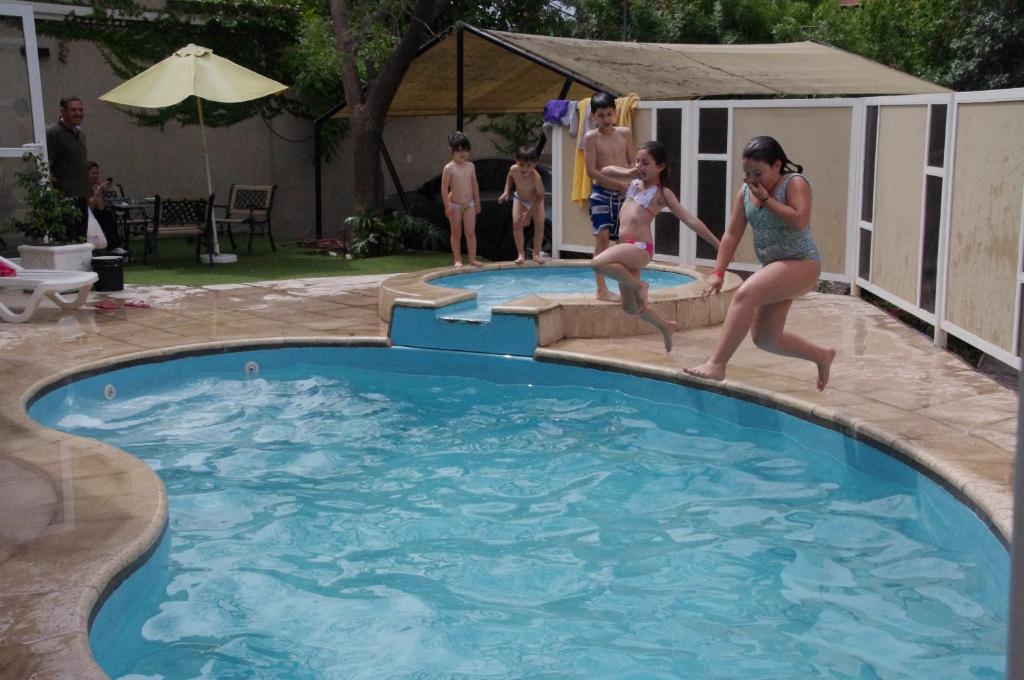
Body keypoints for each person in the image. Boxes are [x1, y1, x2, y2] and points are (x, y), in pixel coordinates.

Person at [685, 136, 837, 390]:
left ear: (777, 166)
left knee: (746, 293)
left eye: (758, 173)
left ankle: (717, 364)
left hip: (802, 262)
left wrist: (767, 200)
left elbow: (800, 220)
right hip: (776, 267)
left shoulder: (793, 183)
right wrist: (718, 272)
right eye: (747, 173)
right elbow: (732, 234)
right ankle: (822, 356)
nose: (752, 179)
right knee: (766, 339)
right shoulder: (745, 193)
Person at [593, 141, 720, 352]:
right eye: (637, 161)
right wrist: (630, 171)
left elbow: (690, 220)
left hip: (640, 247)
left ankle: (640, 285)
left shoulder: (662, 193)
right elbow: (605, 170)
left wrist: (718, 244)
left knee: (598, 262)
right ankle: (665, 327)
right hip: (626, 248)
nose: (640, 166)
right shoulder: (633, 182)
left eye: (645, 163)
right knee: (632, 308)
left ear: (660, 167)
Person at [583, 92, 634, 301]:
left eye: (609, 114)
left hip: (624, 193)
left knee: (624, 241)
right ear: (593, 116)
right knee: (602, 239)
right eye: (601, 115)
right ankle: (601, 289)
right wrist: (617, 184)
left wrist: (630, 185)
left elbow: (632, 162)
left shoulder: (624, 133)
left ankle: (627, 287)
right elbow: (592, 171)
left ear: (615, 113)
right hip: (601, 193)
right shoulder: (591, 138)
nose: (605, 119)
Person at [45, 96, 90, 242]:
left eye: (80, 109)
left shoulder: (80, 134)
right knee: (67, 241)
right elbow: (46, 165)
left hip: (81, 197)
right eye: (73, 110)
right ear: (62, 111)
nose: (78, 113)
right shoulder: (53, 133)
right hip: (64, 199)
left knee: (81, 240)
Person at [498, 146, 546, 264]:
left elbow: (541, 196)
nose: (524, 169)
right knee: (516, 224)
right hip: (520, 198)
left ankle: (536, 253)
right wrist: (506, 191)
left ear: (534, 164)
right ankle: (521, 254)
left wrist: (529, 213)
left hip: (536, 201)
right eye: (521, 165)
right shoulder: (513, 169)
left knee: (539, 225)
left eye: (528, 166)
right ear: (516, 161)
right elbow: (509, 178)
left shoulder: (536, 177)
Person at [441, 131, 481, 267]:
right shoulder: (449, 168)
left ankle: (472, 259)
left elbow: (474, 185)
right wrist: (447, 205)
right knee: (456, 233)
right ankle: (457, 259)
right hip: (455, 205)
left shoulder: (470, 166)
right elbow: (444, 188)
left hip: (469, 204)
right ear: (451, 151)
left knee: (470, 233)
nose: (463, 153)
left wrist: (477, 202)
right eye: (459, 151)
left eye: (466, 150)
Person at [87, 162, 127, 255]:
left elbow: (100, 207)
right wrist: (97, 192)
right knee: (107, 215)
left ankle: (114, 246)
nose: (95, 176)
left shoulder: (96, 186)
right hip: (87, 216)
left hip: (97, 216)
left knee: (107, 213)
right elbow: (90, 207)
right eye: (93, 173)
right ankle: (113, 246)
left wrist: (99, 191)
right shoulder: (85, 187)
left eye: (97, 173)